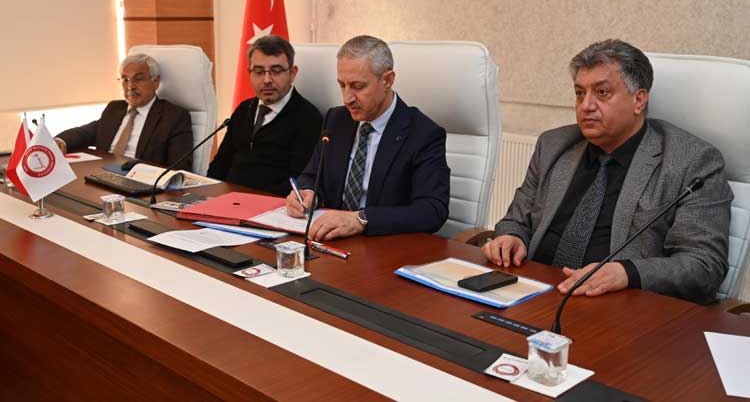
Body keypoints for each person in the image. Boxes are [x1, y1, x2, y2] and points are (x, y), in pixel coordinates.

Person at [482, 39, 732, 304]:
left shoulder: (691, 161)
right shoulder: (553, 145)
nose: (586, 106)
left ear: (639, 100)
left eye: (602, 93)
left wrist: (627, 273)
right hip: (534, 293)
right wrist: (511, 237)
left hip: (619, 306)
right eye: (580, 93)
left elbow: (704, 266)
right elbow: (516, 219)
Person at [286, 35, 450, 240]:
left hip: (384, 245)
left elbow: (432, 210)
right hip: (331, 239)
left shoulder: (423, 133)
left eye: (358, 86)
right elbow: (312, 176)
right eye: (342, 85)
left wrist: (361, 219)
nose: (347, 98)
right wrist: (308, 193)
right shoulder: (336, 119)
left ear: (387, 80)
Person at [208, 36, 323, 196]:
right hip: (227, 200)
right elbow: (220, 166)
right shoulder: (244, 109)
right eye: (259, 72)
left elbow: (298, 182)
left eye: (276, 71)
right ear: (249, 73)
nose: (267, 80)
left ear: (292, 73)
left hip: (270, 205)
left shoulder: (308, 118)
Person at [55, 54, 193, 170]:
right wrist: (60, 141)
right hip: (103, 173)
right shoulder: (114, 108)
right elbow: (86, 133)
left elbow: (179, 168)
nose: (130, 86)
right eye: (125, 79)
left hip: (139, 180)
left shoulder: (174, 116)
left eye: (138, 79)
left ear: (155, 82)